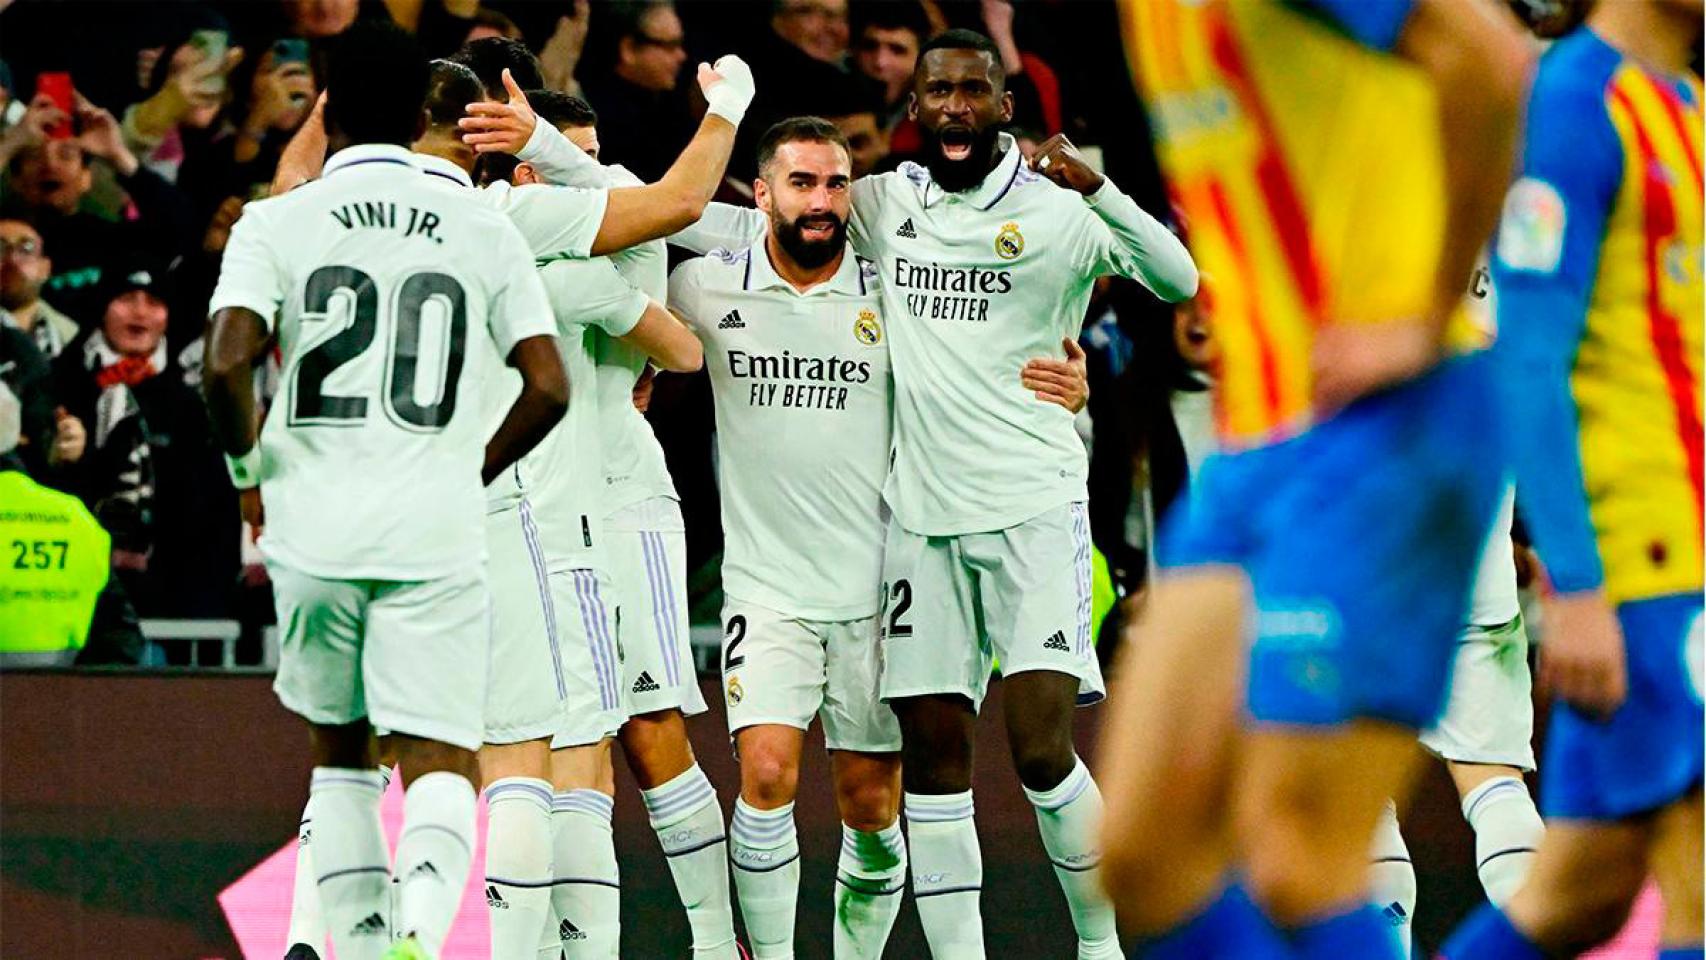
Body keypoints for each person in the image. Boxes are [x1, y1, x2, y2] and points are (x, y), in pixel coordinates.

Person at [1102, 1, 1530, 957]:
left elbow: (1495, 63)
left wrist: (1425, 314)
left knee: (1303, 858)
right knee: (1141, 849)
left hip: (1380, 428)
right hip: (1254, 443)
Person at [668, 115, 1090, 960]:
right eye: (802, 183)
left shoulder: (891, 289)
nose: (823, 202)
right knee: (766, 777)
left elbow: (990, 365)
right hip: (766, 584)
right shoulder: (705, 289)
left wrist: (1067, 386)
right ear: (760, 195)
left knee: (871, 809)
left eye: (836, 184)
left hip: (882, 585)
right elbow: (644, 233)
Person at [201, 22, 570, 960]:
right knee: (444, 751)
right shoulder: (481, 222)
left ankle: (350, 944)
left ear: (326, 110)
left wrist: (250, 476)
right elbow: (549, 385)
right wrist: (468, 468)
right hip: (433, 523)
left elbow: (224, 368)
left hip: (312, 519)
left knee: (344, 753)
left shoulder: (274, 217)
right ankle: (412, 935)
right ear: (419, 115)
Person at [460, 62, 757, 960]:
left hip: (622, 506)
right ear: (520, 168)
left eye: (597, 153)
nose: (603, 174)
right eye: (573, 155)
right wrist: (603, 306)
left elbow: (684, 349)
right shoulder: (508, 237)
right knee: (542, 743)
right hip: (534, 512)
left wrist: (599, 298)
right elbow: (661, 341)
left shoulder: (604, 222)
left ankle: (716, 940)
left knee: (642, 724)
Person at [1440, 1, 1704, 957]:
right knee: (1696, 884)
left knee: (1576, 898)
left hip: (1686, 554)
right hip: (1647, 564)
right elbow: (1527, 358)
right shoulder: (1574, 101)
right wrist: (1580, 585)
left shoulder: (1680, 104)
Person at [52, 259, 237, 622]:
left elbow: (214, 509)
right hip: (75, 577)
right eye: (125, 299)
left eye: (154, 302)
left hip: (174, 589)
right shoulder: (60, 382)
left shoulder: (195, 401)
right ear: (101, 309)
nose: (139, 312)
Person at [578, 0, 697, 183]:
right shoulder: (598, 119)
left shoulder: (666, 106)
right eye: (670, 46)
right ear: (629, 49)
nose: (681, 56)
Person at [1, 217, 80, 358]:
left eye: (26, 249)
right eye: (0, 249)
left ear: (45, 268)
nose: (12, 259)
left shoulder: (72, 337)